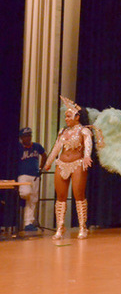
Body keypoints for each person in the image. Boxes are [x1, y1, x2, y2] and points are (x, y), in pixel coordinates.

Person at [43, 97, 93, 240]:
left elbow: (88, 144)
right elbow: (56, 148)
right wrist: (48, 162)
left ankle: (82, 227)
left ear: (77, 117)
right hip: (62, 164)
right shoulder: (63, 132)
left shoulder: (84, 131)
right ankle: (60, 227)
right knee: (60, 197)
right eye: (65, 116)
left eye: (69, 116)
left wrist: (87, 156)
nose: (66, 119)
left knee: (78, 194)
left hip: (77, 164)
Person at [17, 127, 45, 232]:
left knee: (33, 200)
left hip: (35, 175)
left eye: (29, 135)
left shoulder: (37, 146)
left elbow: (44, 155)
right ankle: (21, 201)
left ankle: (28, 223)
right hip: (23, 175)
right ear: (21, 138)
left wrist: (41, 168)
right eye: (25, 136)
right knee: (25, 193)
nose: (28, 138)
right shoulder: (19, 148)